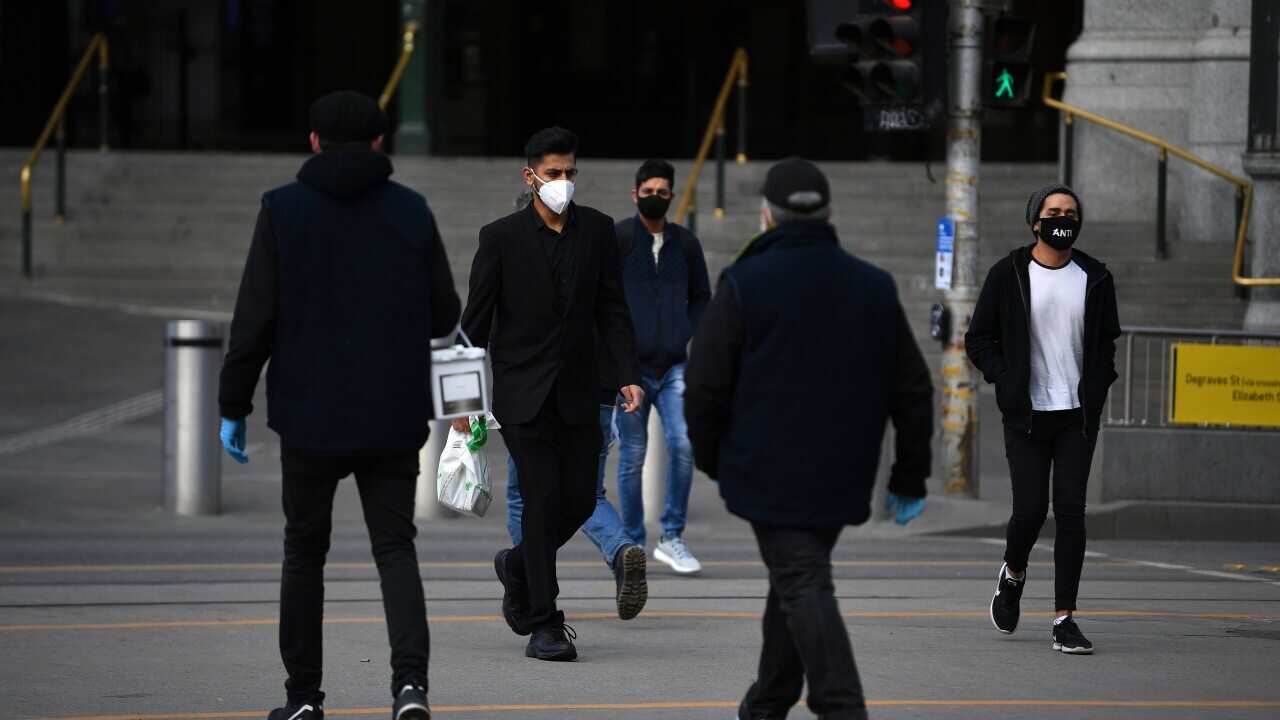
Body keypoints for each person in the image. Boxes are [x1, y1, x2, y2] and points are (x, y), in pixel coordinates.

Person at [217, 91, 459, 720]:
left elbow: (254, 320)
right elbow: (445, 313)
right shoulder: (411, 212)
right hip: (392, 415)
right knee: (395, 549)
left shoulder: (281, 210)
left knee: (304, 552)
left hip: (308, 416)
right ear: (382, 143)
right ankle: (410, 688)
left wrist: (233, 402)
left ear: (314, 141)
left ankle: (303, 699)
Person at [685, 158, 934, 720]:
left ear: (766, 215)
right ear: (827, 213)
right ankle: (768, 700)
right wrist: (908, 474)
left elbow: (703, 386)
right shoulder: (873, 286)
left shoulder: (745, 282)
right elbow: (914, 390)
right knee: (797, 578)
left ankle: (841, 705)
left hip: (764, 473)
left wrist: (713, 458)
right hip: (843, 475)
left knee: (800, 580)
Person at [459, 126, 643, 662]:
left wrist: (627, 372)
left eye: (569, 173)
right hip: (521, 395)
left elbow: (612, 309)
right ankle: (546, 622)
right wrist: (461, 406)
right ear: (531, 176)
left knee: (582, 498)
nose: (563, 182)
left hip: (581, 391)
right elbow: (473, 325)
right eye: (553, 173)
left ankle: (517, 565)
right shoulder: (500, 238)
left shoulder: (599, 232)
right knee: (539, 498)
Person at [966, 184, 1120, 655]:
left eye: (1071, 212)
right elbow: (979, 339)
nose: (1062, 218)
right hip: (1027, 412)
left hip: (1076, 414)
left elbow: (1107, 340)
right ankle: (1013, 574)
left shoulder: (1095, 276)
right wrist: (1004, 378)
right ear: (1036, 221)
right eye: (1053, 211)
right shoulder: (1009, 272)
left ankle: (1064, 618)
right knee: (1030, 511)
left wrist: (1099, 383)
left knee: (1071, 512)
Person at [503, 193, 650, 624]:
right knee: (583, 493)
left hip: (542, 394)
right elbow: (616, 318)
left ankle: (525, 576)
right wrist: (627, 375)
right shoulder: (593, 256)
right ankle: (618, 548)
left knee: (528, 494)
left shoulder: (529, 263)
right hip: (596, 388)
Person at [612, 159, 712, 575]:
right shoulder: (617, 239)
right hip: (630, 369)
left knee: (684, 444)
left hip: (673, 366)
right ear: (635, 195)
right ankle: (633, 544)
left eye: (662, 191)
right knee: (632, 456)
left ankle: (671, 537)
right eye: (647, 191)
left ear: (672, 196)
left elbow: (702, 298)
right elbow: (603, 301)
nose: (655, 197)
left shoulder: (685, 245)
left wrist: (683, 333)